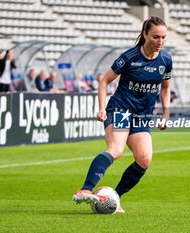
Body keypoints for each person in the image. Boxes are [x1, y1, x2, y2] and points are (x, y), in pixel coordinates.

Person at [72, 17, 172, 213]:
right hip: (121, 109)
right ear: (144, 35)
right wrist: (101, 108)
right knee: (116, 150)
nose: (160, 41)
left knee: (144, 159)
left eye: (163, 37)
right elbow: (104, 82)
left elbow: (165, 88)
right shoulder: (129, 57)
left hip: (142, 116)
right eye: (156, 37)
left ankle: (114, 198)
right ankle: (85, 189)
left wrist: (165, 113)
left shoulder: (166, 60)